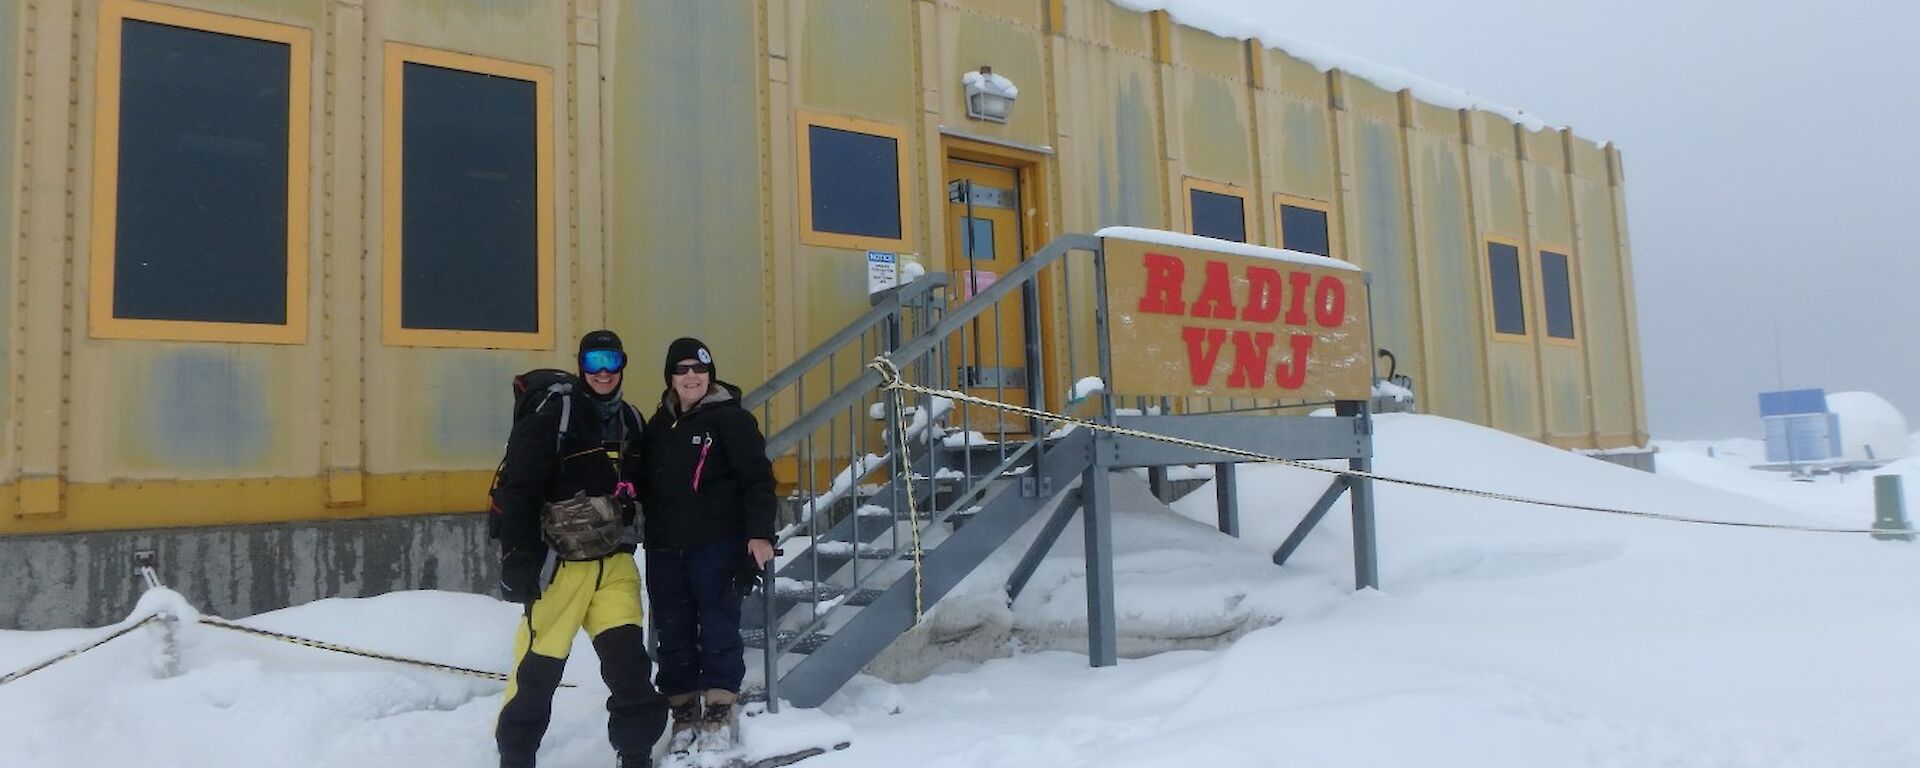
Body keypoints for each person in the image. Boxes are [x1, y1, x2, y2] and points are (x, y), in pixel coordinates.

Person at [493, 330, 666, 768]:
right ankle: (516, 756)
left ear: (623, 363)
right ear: (581, 366)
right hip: (560, 569)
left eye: (611, 360)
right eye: (594, 362)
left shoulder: (632, 420)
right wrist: (517, 555)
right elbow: (519, 486)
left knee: (629, 668)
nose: (604, 372)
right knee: (538, 672)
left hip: (614, 564)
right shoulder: (557, 413)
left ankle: (635, 754)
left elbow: (652, 486)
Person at [641, 337, 777, 752]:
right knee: (673, 629)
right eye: (682, 370)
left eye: (699, 369)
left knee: (718, 625)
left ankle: (718, 709)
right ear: (670, 378)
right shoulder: (659, 425)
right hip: (665, 546)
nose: (691, 377)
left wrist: (760, 533)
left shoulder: (731, 420)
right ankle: (682, 709)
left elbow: (757, 478)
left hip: (716, 544)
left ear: (709, 375)